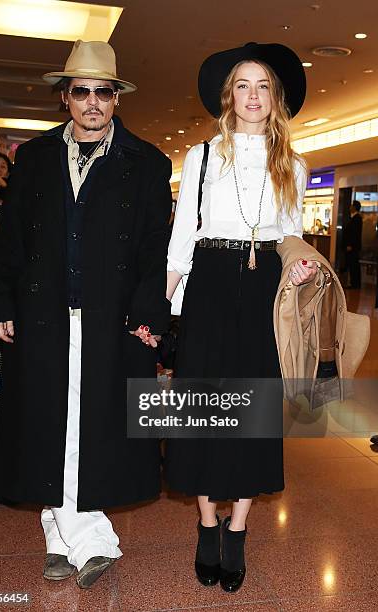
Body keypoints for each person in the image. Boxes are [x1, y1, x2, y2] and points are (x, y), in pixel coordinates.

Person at [0, 39, 172, 588]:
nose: (93, 102)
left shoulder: (148, 162)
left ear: (117, 98)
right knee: (51, 425)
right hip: (43, 313)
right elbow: (13, 239)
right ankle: (77, 539)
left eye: (105, 92)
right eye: (83, 91)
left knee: (94, 426)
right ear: (65, 97)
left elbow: (152, 248)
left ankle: (66, 538)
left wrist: (148, 313)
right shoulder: (36, 158)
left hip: (110, 317)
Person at [165, 42, 317, 593]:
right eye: (243, 85)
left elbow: (293, 235)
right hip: (208, 281)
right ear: (228, 95)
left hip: (262, 293)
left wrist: (296, 267)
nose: (253, 96)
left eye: (263, 87)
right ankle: (207, 524)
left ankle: (238, 528)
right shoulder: (201, 156)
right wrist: (162, 305)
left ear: (275, 98)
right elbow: (183, 237)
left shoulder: (294, 165)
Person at [342, 200, 363, 289]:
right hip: (352, 246)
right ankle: (353, 283)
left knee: (354, 265)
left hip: (353, 247)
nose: (350, 207)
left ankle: (355, 284)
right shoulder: (353, 218)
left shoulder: (357, 218)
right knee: (352, 264)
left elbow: (355, 234)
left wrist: (350, 245)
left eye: (351, 206)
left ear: (354, 207)